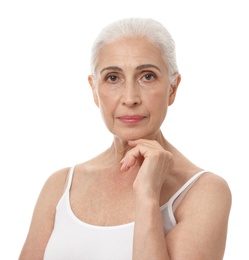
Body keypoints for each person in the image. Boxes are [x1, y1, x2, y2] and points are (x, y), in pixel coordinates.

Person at [19, 17, 232, 260]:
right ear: (94, 90)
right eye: (113, 78)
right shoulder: (59, 186)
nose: (130, 98)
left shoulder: (203, 192)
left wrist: (147, 196)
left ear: (172, 88)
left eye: (147, 76)